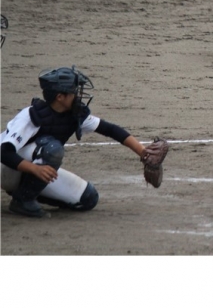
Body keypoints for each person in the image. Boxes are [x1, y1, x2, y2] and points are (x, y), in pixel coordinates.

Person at [1, 65, 150, 218]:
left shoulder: (74, 115)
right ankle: (22, 200)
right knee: (52, 149)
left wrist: (143, 152)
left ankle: (24, 190)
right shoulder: (31, 115)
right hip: (5, 168)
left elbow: (110, 129)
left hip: (29, 170)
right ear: (60, 97)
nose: (78, 95)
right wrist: (34, 169)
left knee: (88, 199)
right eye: (74, 92)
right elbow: (4, 152)